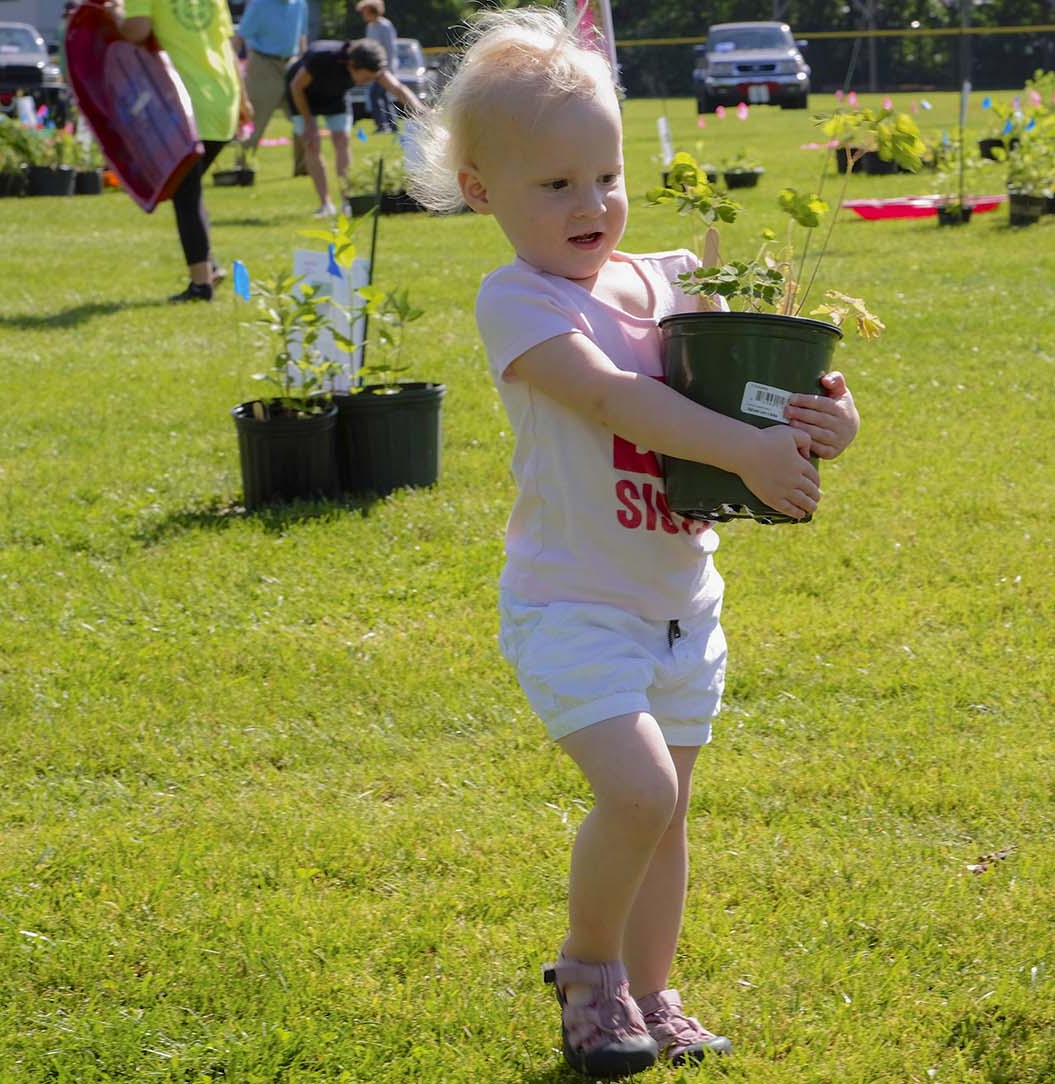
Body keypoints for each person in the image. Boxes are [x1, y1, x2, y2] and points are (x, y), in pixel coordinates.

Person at [412, 8, 858, 1077]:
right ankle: (588, 970)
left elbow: (763, 383)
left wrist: (828, 420)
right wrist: (745, 454)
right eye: (556, 184)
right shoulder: (518, 301)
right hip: (573, 604)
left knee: (670, 813)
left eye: (607, 177)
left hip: (681, 603)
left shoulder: (670, 279)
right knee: (640, 793)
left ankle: (653, 995)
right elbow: (615, 398)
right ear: (482, 190)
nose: (592, 204)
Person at [111, 0, 251, 302]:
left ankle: (201, 284)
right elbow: (227, 46)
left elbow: (137, 30)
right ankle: (209, 266)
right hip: (222, 98)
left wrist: (116, 14)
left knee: (186, 193)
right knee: (188, 188)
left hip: (187, 104)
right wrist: (243, 99)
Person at [288, 38, 420, 216]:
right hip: (302, 95)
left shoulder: (371, 65)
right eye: (366, 78)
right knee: (312, 144)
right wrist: (309, 122)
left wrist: (421, 110)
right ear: (351, 66)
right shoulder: (321, 59)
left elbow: (397, 88)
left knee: (342, 140)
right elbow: (296, 86)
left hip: (335, 96)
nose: (369, 82)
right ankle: (325, 205)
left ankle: (347, 202)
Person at [233, 0, 307, 174]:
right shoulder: (259, 5)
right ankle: (243, 170)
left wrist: (305, 64)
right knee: (255, 119)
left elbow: (302, 37)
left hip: (291, 64)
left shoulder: (300, 4)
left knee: (303, 118)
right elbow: (240, 37)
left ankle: (304, 168)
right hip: (263, 64)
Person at [355, 0, 400, 133]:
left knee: (375, 95)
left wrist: (387, 69)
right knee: (383, 97)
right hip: (374, 70)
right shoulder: (370, 27)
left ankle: (383, 125)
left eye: (365, 11)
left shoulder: (385, 26)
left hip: (385, 69)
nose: (363, 15)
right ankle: (391, 126)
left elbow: (390, 49)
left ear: (372, 11)